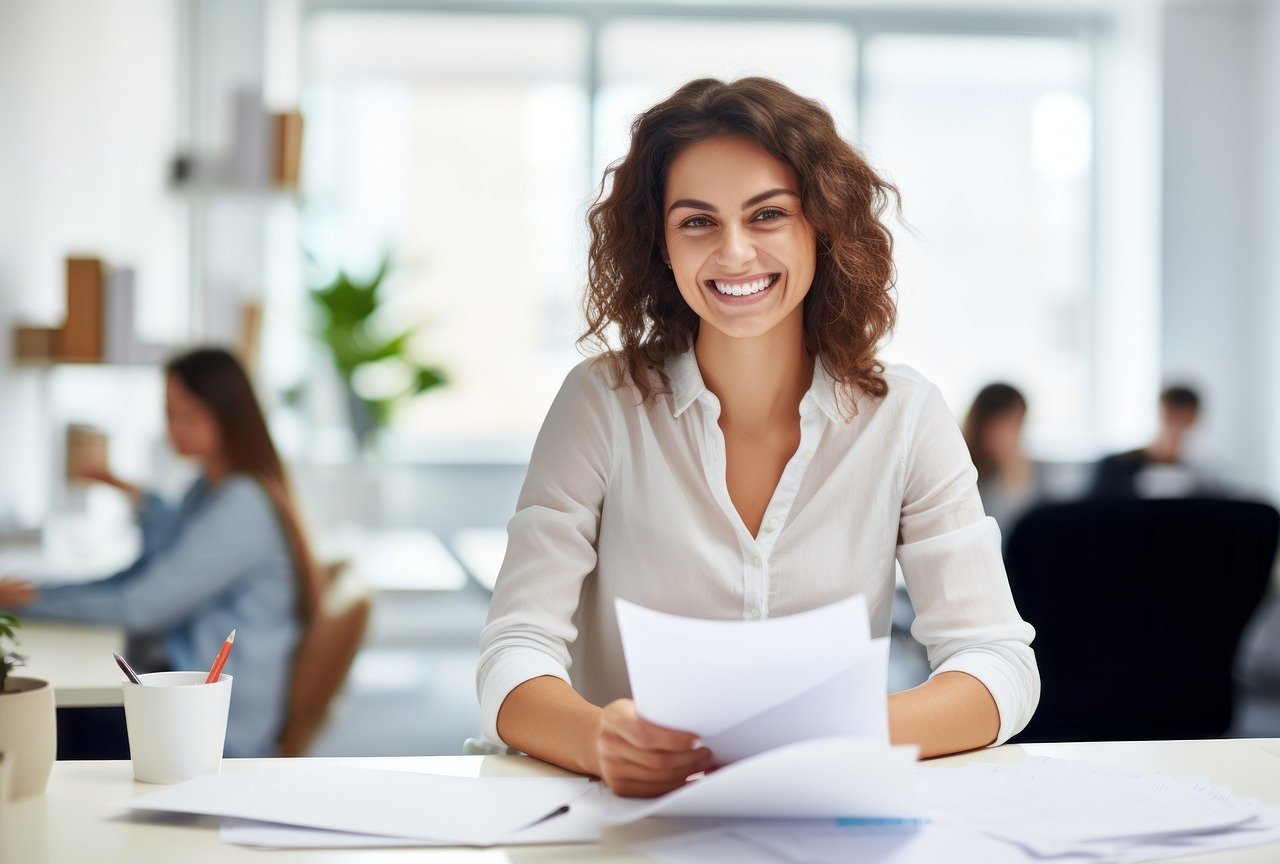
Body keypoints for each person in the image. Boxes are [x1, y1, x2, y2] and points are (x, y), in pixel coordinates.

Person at [478, 77, 1039, 798]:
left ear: (823, 226)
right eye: (697, 222)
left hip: (824, 821)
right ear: (662, 244)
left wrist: (837, 734)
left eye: (768, 214)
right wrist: (598, 741)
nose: (735, 253)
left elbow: (996, 662)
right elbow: (512, 654)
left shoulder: (905, 415)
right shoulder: (601, 403)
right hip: (628, 823)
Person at [0, 347, 321, 757]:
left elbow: (140, 604)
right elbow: (153, 562)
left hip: (209, 728)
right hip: (186, 704)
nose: (175, 429)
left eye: (189, 415)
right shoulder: (212, 488)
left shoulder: (241, 505)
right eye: (170, 413)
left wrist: (35, 601)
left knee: (39, 718)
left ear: (229, 415)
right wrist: (38, 593)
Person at [1089, 385, 1213, 500]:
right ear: (1161, 414)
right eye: (1172, 416)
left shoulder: (1200, 478)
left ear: (1193, 420)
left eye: (1182, 418)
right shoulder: (1115, 467)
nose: (1175, 425)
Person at [962, 383, 1045, 539]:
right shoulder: (960, 468)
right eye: (1007, 422)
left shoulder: (1029, 470)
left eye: (1018, 425)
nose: (1012, 434)